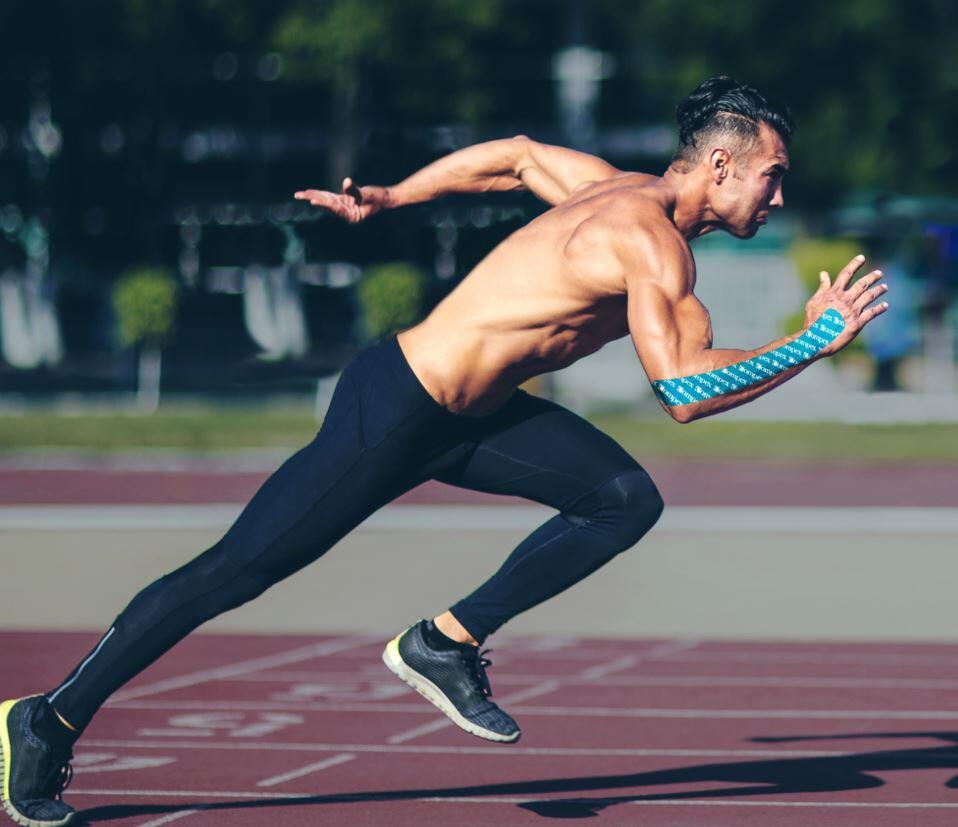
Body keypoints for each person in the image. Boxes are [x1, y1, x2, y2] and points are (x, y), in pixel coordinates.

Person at [1, 75, 888, 827]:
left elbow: (513, 154)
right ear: (722, 163)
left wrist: (395, 196)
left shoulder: (615, 191)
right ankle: (48, 717)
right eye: (771, 178)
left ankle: (443, 640)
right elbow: (684, 391)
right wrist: (812, 342)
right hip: (396, 408)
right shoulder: (642, 236)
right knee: (235, 570)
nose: (777, 199)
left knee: (623, 496)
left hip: (477, 416)